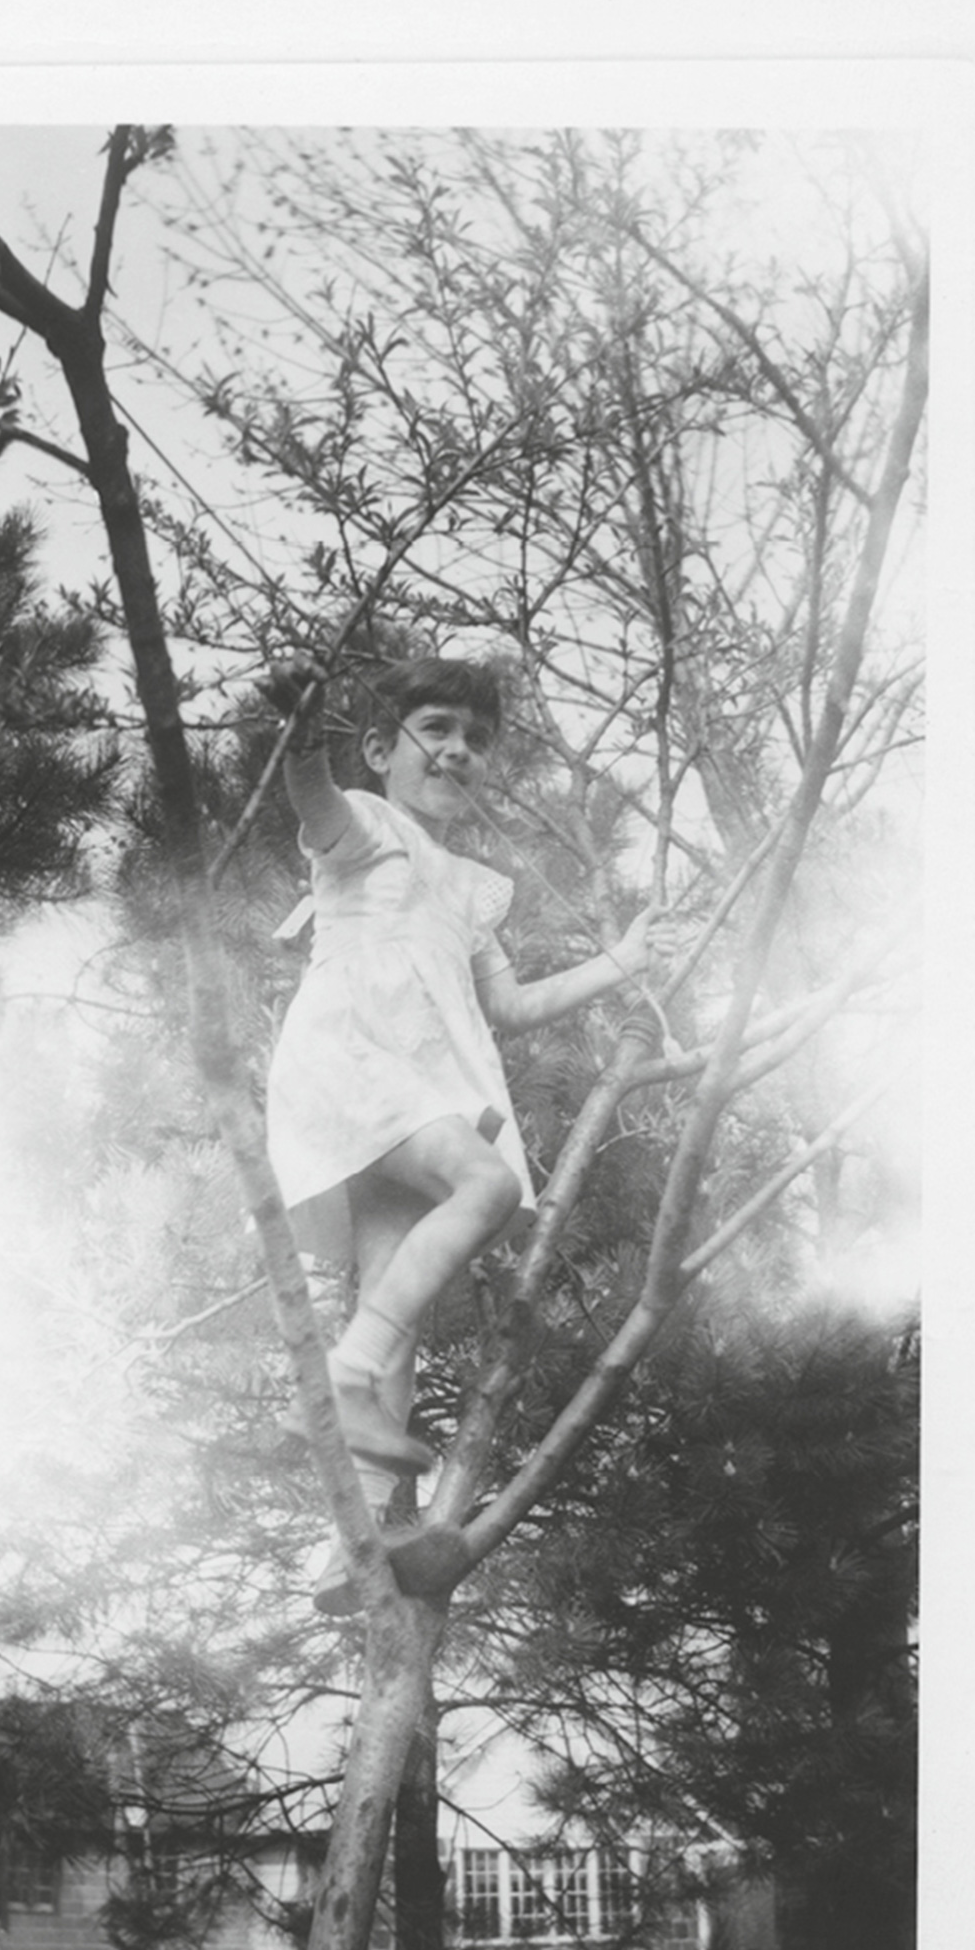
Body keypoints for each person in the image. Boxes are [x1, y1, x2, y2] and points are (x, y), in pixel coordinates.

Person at [263, 648, 677, 1606]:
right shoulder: (365, 826)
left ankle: (353, 1551)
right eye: (436, 730)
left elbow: (516, 1006)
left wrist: (622, 960)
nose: (459, 751)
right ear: (381, 748)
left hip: (412, 1087)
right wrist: (301, 742)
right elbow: (310, 796)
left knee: (395, 1316)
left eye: (476, 740)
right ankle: (342, 1373)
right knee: (484, 1183)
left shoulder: (471, 888)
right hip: (356, 1063)